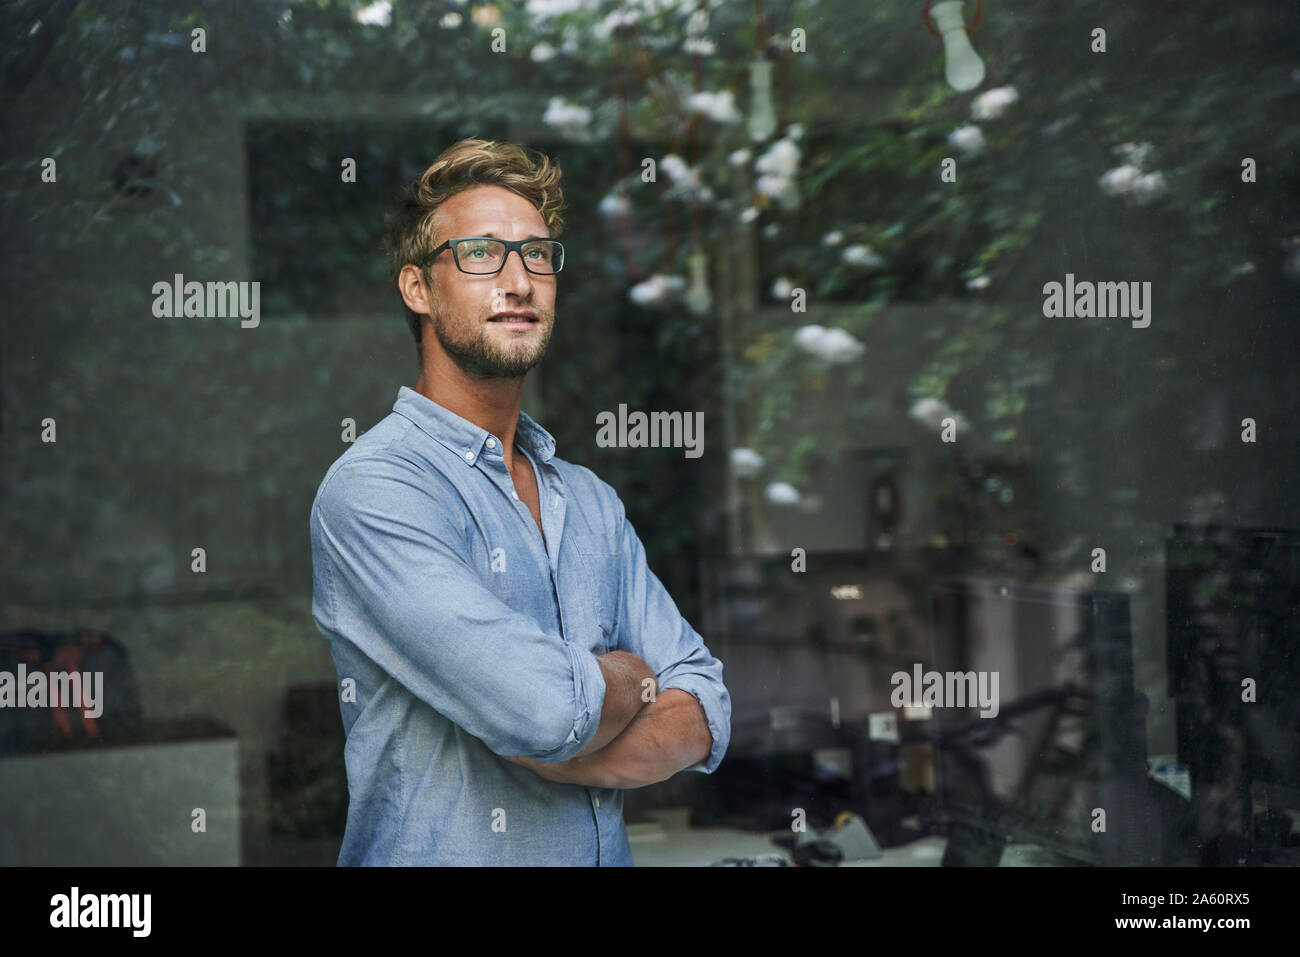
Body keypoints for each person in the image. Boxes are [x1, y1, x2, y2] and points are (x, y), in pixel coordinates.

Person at [309, 138, 730, 865]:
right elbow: (540, 711)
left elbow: (708, 708)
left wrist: (572, 746)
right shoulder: (375, 491)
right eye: (481, 254)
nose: (519, 280)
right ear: (418, 289)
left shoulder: (591, 503)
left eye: (538, 255)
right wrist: (631, 678)